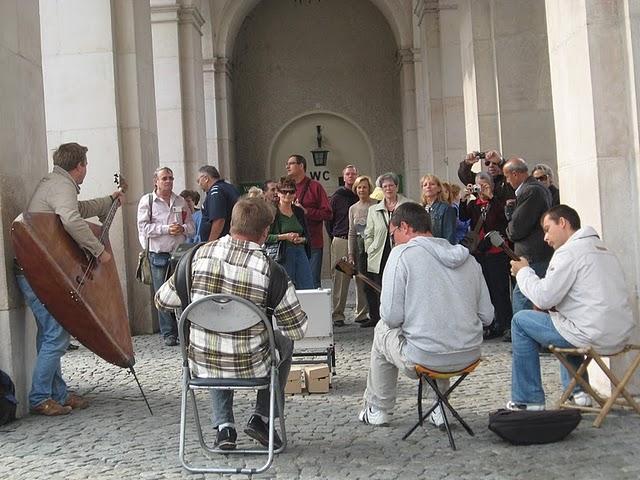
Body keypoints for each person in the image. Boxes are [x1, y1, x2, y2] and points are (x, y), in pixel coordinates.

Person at [155, 197, 308, 450]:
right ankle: (262, 417)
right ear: (265, 232)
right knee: (285, 341)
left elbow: (162, 300)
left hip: (202, 360)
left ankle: (225, 428)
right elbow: (297, 329)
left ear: (231, 224)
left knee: (215, 335)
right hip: (252, 363)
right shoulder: (271, 271)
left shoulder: (194, 257)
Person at [358, 203, 493, 427]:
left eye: (393, 235)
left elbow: (391, 317)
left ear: (404, 227)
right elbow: (487, 316)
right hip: (469, 355)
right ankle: (439, 407)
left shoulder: (401, 255)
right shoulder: (468, 259)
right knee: (436, 329)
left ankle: (378, 408)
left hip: (424, 357)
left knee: (382, 329)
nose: (393, 241)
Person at [15, 142, 124, 416]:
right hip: (37, 271)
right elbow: (72, 219)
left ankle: (58, 393)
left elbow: (79, 208)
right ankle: (40, 397)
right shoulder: (61, 185)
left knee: (50, 332)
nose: (86, 169)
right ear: (79, 166)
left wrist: (108, 201)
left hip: (35, 269)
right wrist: (99, 252)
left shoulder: (56, 183)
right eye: (85, 164)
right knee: (56, 333)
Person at [507, 205, 634, 410]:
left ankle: (528, 400)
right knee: (563, 320)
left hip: (592, 335)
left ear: (563, 223)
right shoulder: (603, 249)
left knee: (521, 320)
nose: (546, 238)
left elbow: (543, 298)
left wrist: (524, 272)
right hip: (620, 335)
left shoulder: (569, 252)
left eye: (547, 229)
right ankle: (579, 392)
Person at [137, 167, 195, 346]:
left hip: (179, 254)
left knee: (183, 291)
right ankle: (168, 333)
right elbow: (143, 228)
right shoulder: (147, 201)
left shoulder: (181, 201)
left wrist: (182, 228)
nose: (168, 181)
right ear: (156, 181)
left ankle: (185, 330)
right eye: (164, 178)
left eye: (171, 178)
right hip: (158, 254)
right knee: (161, 293)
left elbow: (192, 227)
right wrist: (166, 229)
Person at [459, 173, 512, 339]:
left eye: (484, 185)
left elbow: (503, 218)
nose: (480, 188)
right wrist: (463, 199)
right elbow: (463, 216)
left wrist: (491, 197)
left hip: (496, 251)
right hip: (480, 250)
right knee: (486, 289)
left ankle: (506, 323)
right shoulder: (474, 204)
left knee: (500, 290)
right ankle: (493, 323)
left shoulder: (497, 202)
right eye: (478, 185)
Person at [503, 158, 553, 331]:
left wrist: (509, 224)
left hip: (533, 254)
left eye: (507, 176)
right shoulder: (532, 190)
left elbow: (516, 228)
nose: (507, 181)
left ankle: (525, 341)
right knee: (533, 298)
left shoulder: (531, 191)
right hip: (534, 253)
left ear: (515, 174)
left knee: (522, 298)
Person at [362, 172, 412, 328]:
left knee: (401, 284)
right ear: (381, 189)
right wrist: (370, 248)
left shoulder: (408, 205)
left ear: (397, 187)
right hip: (379, 253)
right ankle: (381, 318)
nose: (388, 189)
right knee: (379, 286)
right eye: (385, 186)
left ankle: (402, 316)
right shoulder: (373, 209)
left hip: (401, 250)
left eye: (391, 185)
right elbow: (368, 233)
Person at [286, 154, 332, 288]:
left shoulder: (315, 187)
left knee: (311, 283)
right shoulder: (286, 188)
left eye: (291, 163)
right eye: (287, 164)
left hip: (312, 243)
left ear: (301, 166)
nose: (287, 166)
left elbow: (328, 213)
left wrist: (306, 211)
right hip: (290, 244)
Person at [266, 177, 314, 289]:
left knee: (307, 286)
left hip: (300, 252)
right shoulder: (272, 211)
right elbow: (265, 237)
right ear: (278, 193)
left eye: (291, 191)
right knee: (285, 289)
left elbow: (307, 236)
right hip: (282, 254)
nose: (288, 194)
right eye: (284, 191)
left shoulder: (298, 211)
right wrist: (285, 237)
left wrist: (302, 239)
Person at [327, 165, 359, 327]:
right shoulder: (337, 197)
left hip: (360, 241)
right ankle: (338, 314)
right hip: (341, 239)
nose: (351, 176)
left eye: (353, 174)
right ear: (344, 177)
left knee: (361, 277)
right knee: (340, 278)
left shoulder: (362, 194)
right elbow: (329, 220)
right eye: (348, 174)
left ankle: (362, 313)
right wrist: (335, 236)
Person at [347, 175, 375, 325]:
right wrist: (351, 253)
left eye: (364, 187)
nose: (362, 189)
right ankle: (363, 312)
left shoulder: (376, 205)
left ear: (369, 188)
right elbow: (351, 232)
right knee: (361, 281)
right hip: (359, 247)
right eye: (359, 187)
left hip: (375, 246)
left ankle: (377, 312)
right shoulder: (353, 208)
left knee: (375, 280)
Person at [197, 165, 240, 242]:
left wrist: (210, 243)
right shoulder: (230, 187)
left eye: (198, 180)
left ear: (206, 178)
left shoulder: (216, 191)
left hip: (220, 243)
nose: (199, 184)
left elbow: (219, 219)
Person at [420, 174, 457, 244]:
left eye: (432, 184)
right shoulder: (421, 209)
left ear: (439, 188)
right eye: (425, 185)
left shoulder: (446, 209)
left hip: (440, 249)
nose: (428, 186)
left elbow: (449, 236)